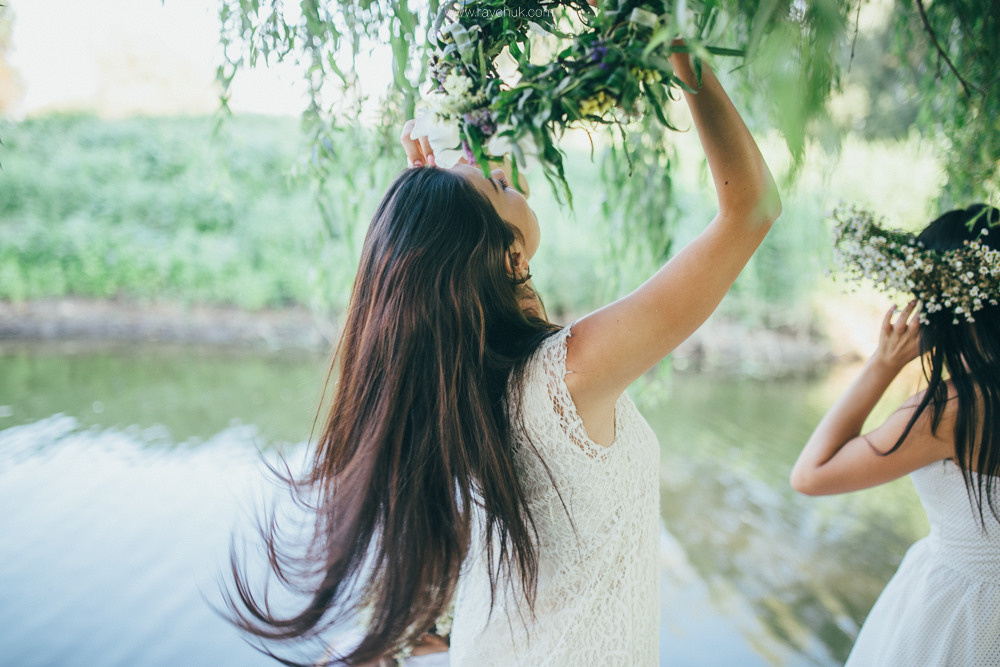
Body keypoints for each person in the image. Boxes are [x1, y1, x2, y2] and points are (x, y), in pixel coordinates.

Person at [225, 49, 780, 666]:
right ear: (511, 258)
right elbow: (751, 209)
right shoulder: (568, 374)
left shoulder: (456, 376)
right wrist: (677, 40)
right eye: (493, 180)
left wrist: (444, 188)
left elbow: (477, 226)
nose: (497, 169)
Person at [790, 205, 1000, 665]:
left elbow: (811, 474)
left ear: (944, 309)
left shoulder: (948, 414)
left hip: (961, 616)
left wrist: (882, 364)